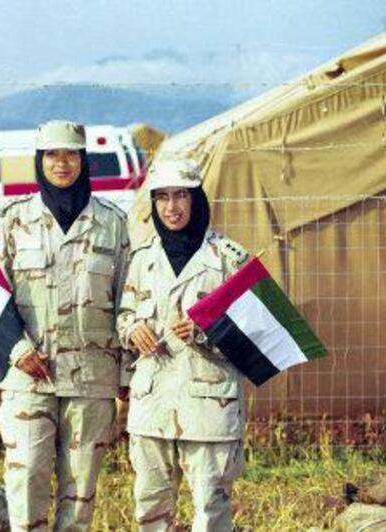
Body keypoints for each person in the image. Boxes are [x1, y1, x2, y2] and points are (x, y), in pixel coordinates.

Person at [0, 120, 131, 531]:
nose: (62, 163)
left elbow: (128, 300)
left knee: (80, 491)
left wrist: (125, 378)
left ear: (84, 160)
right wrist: (15, 350)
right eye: (52, 154)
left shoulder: (112, 223)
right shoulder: (14, 221)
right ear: (39, 160)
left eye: (71, 154)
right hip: (27, 377)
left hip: (92, 379)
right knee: (26, 478)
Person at [116, 158, 250, 532]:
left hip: (208, 408)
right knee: (151, 508)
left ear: (196, 200)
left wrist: (207, 331)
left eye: (180, 196)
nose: (171, 207)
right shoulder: (142, 260)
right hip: (152, 404)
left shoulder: (229, 259)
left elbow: (256, 333)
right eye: (162, 198)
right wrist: (133, 329)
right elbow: (124, 314)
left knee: (210, 510)